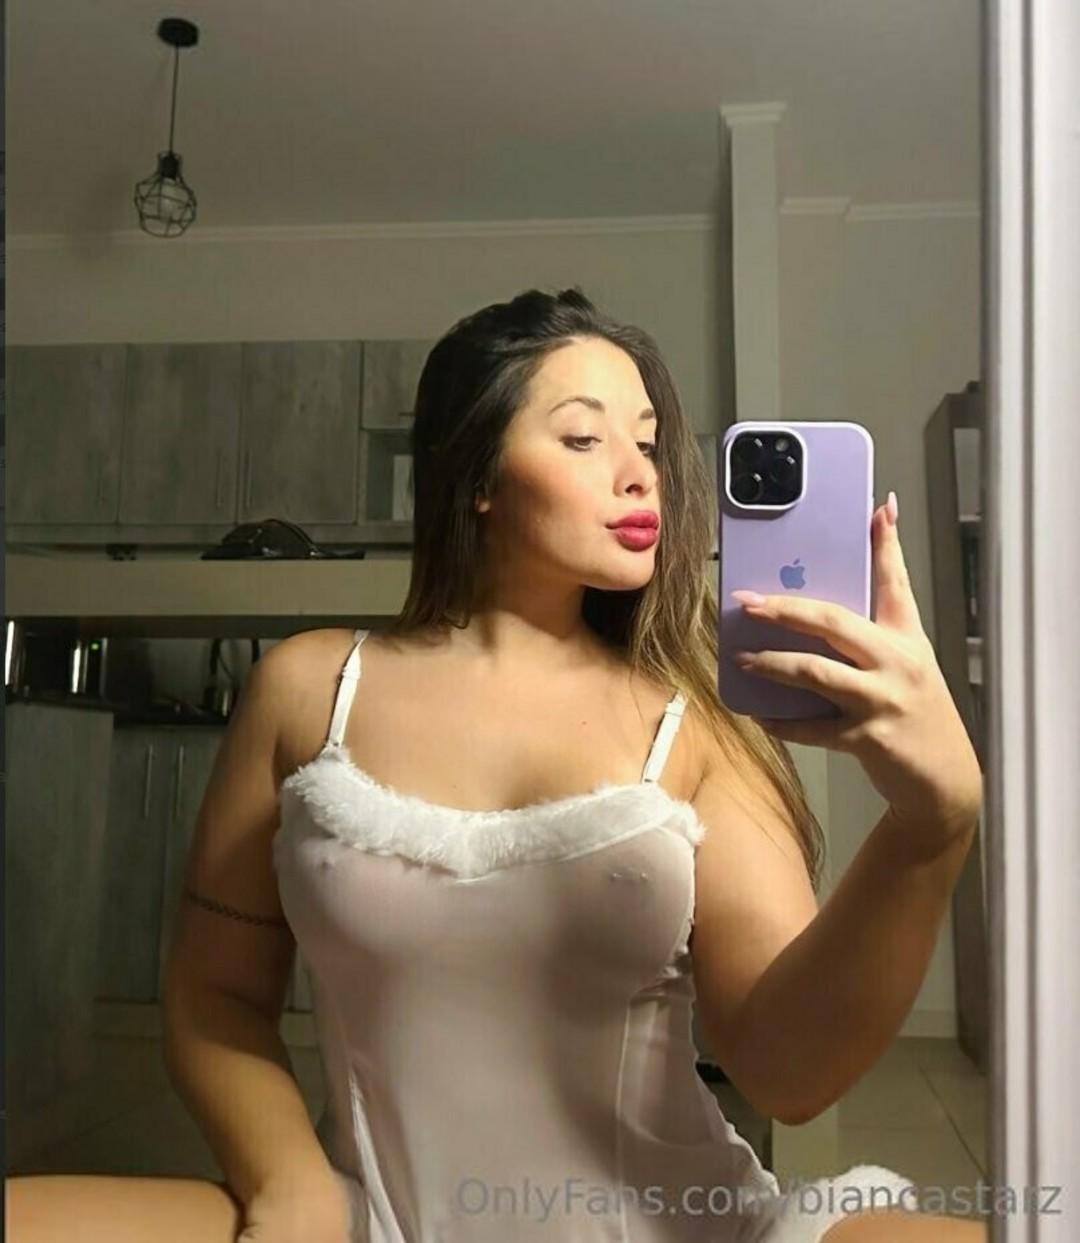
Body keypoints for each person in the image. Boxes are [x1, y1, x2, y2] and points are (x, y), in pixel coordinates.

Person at [6, 288, 987, 1242]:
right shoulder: (308, 690)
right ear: (476, 473)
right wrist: (289, 1187)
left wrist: (929, 827)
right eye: (584, 437)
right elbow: (215, 997)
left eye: (648, 443)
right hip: (375, 1219)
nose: (640, 475)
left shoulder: (698, 727)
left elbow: (787, 1070)